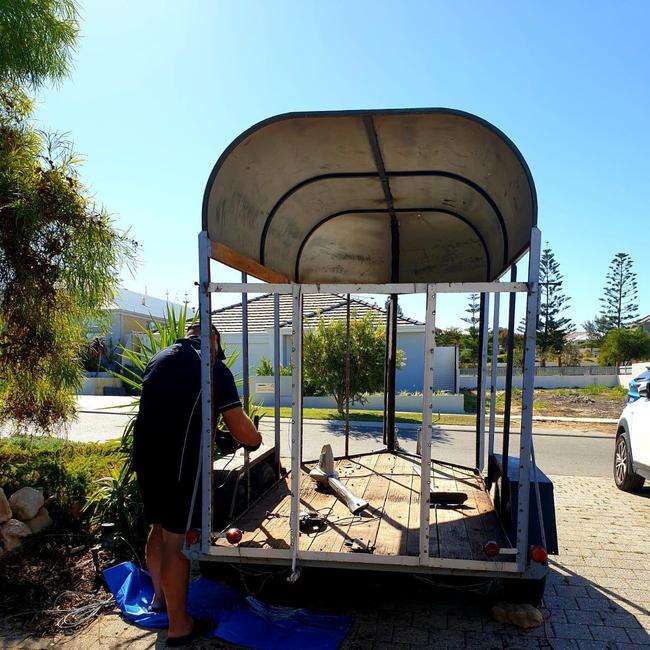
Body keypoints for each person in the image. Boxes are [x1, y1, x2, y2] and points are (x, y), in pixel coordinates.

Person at [133, 323, 261, 646]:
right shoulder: (212, 366)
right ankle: (179, 627)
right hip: (179, 464)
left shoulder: (160, 358)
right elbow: (241, 429)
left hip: (147, 461)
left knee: (157, 527)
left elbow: (169, 411)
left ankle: (159, 599)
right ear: (214, 340)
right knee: (177, 541)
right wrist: (256, 438)